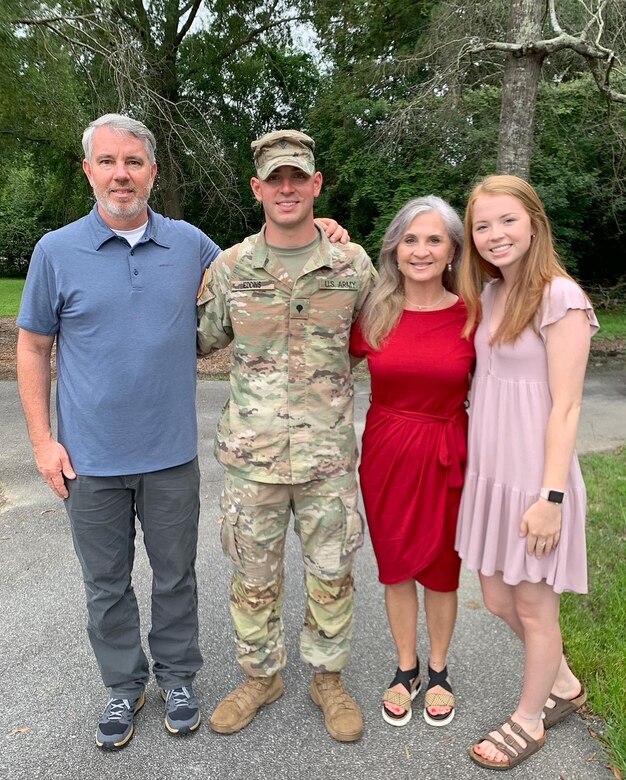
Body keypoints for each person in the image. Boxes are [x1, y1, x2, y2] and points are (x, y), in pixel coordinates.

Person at [16, 114, 347, 752]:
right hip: (88, 460)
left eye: (134, 162)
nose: (121, 174)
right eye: (108, 162)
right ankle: (122, 686)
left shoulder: (193, 246)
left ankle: (178, 678)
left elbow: (263, 256)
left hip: (169, 455)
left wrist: (323, 230)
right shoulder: (55, 252)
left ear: (152, 172)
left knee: (176, 577)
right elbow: (33, 347)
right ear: (88, 170)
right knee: (105, 582)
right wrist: (42, 441)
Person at [197, 129, 377, 743]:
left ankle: (327, 679)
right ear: (258, 189)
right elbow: (196, 339)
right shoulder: (231, 266)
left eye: (298, 177)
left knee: (332, 573)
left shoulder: (351, 264)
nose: (288, 188)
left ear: (317, 185)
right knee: (252, 578)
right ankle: (260, 676)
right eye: (276, 179)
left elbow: (388, 337)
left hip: (327, 459)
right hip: (254, 459)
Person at [455, 175, 598, 770]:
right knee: (495, 597)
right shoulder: (489, 295)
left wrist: (552, 496)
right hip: (492, 477)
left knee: (536, 608)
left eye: (507, 220)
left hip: (538, 481)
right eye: (482, 226)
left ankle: (531, 717)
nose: (495, 235)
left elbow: (565, 406)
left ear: (534, 222)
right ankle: (562, 679)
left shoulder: (559, 297)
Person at [349, 196, 475, 729]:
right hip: (386, 453)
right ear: (395, 250)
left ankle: (440, 670)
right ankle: (406, 669)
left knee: (443, 571)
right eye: (410, 240)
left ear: (451, 252)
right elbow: (315, 358)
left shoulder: (475, 313)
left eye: (434, 240)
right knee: (397, 567)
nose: (421, 250)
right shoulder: (374, 312)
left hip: (448, 451)